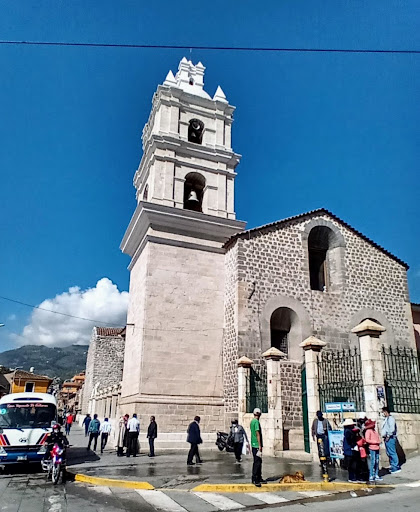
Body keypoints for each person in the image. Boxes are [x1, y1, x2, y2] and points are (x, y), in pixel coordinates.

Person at [250, 408, 266, 487]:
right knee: (257, 462)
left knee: (258, 461)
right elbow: (257, 433)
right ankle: (255, 478)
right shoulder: (256, 422)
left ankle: (258, 477)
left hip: (253, 444)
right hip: (256, 445)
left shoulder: (252, 421)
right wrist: (260, 445)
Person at [382, 407, 401, 474]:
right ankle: (393, 466)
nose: (383, 413)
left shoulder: (391, 419)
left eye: (383, 412)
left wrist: (388, 436)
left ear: (386, 411)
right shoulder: (386, 419)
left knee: (392, 452)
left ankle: (396, 467)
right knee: (389, 452)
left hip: (390, 438)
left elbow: (392, 429)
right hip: (387, 438)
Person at [342, 418, 357, 482]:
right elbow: (350, 440)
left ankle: (352, 477)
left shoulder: (347, 431)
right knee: (351, 465)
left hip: (348, 450)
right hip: (349, 450)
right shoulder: (348, 431)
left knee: (352, 464)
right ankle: (351, 477)